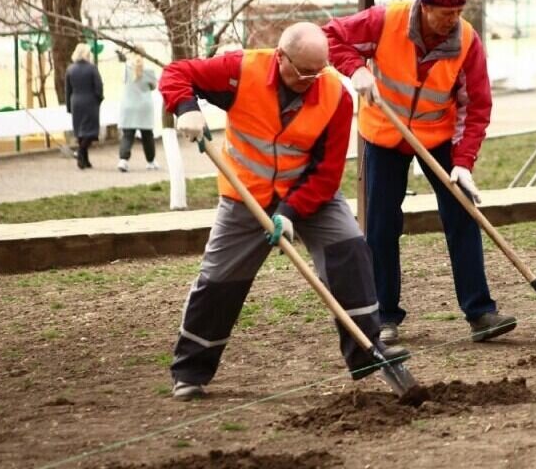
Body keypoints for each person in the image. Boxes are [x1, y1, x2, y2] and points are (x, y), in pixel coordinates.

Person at [158, 22, 409, 401]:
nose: (310, 78)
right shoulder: (240, 71)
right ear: (281, 56)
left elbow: (327, 174)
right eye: (302, 70)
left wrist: (290, 211)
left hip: (309, 195)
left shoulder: (335, 97)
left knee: (350, 250)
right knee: (219, 280)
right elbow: (177, 73)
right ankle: (190, 370)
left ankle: (367, 350)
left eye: (317, 71)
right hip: (246, 197)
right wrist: (186, 107)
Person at [323, 0, 516, 345]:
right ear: (425, 6)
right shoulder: (386, 21)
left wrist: (463, 163)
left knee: (463, 215)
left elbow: (475, 105)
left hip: (439, 137)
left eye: (459, 12)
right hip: (385, 134)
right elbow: (328, 37)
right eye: (446, 13)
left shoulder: (466, 41)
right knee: (380, 224)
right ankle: (384, 315)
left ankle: (480, 312)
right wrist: (355, 69)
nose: (453, 21)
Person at [116, 51, 160, 172]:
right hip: (144, 107)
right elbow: (153, 87)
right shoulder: (149, 71)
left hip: (128, 106)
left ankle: (123, 160)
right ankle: (151, 161)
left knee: (128, 135)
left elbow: (123, 81)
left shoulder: (126, 68)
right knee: (147, 136)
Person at [65, 43, 104, 170]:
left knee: (80, 132)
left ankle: (85, 160)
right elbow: (98, 87)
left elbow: (67, 90)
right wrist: (99, 99)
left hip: (75, 101)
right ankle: (81, 152)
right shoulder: (92, 68)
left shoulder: (70, 69)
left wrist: (69, 106)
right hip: (90, 101)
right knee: (90, 131)